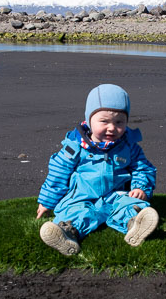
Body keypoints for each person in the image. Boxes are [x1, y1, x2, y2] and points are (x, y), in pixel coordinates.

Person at [36, 84, 158, 255]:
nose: (111, 128)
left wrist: (140, 188)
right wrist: (46, 202)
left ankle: (135, 223)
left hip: (115, 195)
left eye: (119, 122)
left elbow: (143, 168)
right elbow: (58, 172)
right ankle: (67, 233)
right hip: (81, 196)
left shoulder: (129, 146)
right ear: (89, 120)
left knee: (129, 205)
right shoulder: (75, 146)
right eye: (104, 121)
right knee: (76, 212)